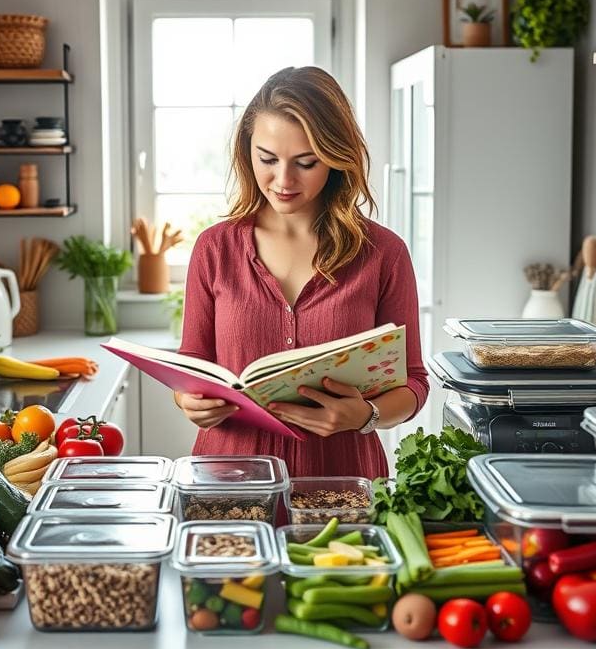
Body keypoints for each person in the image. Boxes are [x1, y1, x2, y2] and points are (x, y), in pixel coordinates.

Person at [174, 66, 428, 479]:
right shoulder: (214, 248)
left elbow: (414, 383)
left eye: (306, 162)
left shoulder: (384, 253)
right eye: (267, 159)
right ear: (247, 152)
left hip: (344, 481)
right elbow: (192, 364)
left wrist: (365, 415)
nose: (283, 180)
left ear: (335, 157)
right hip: (230, 481)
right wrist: (188, 401)